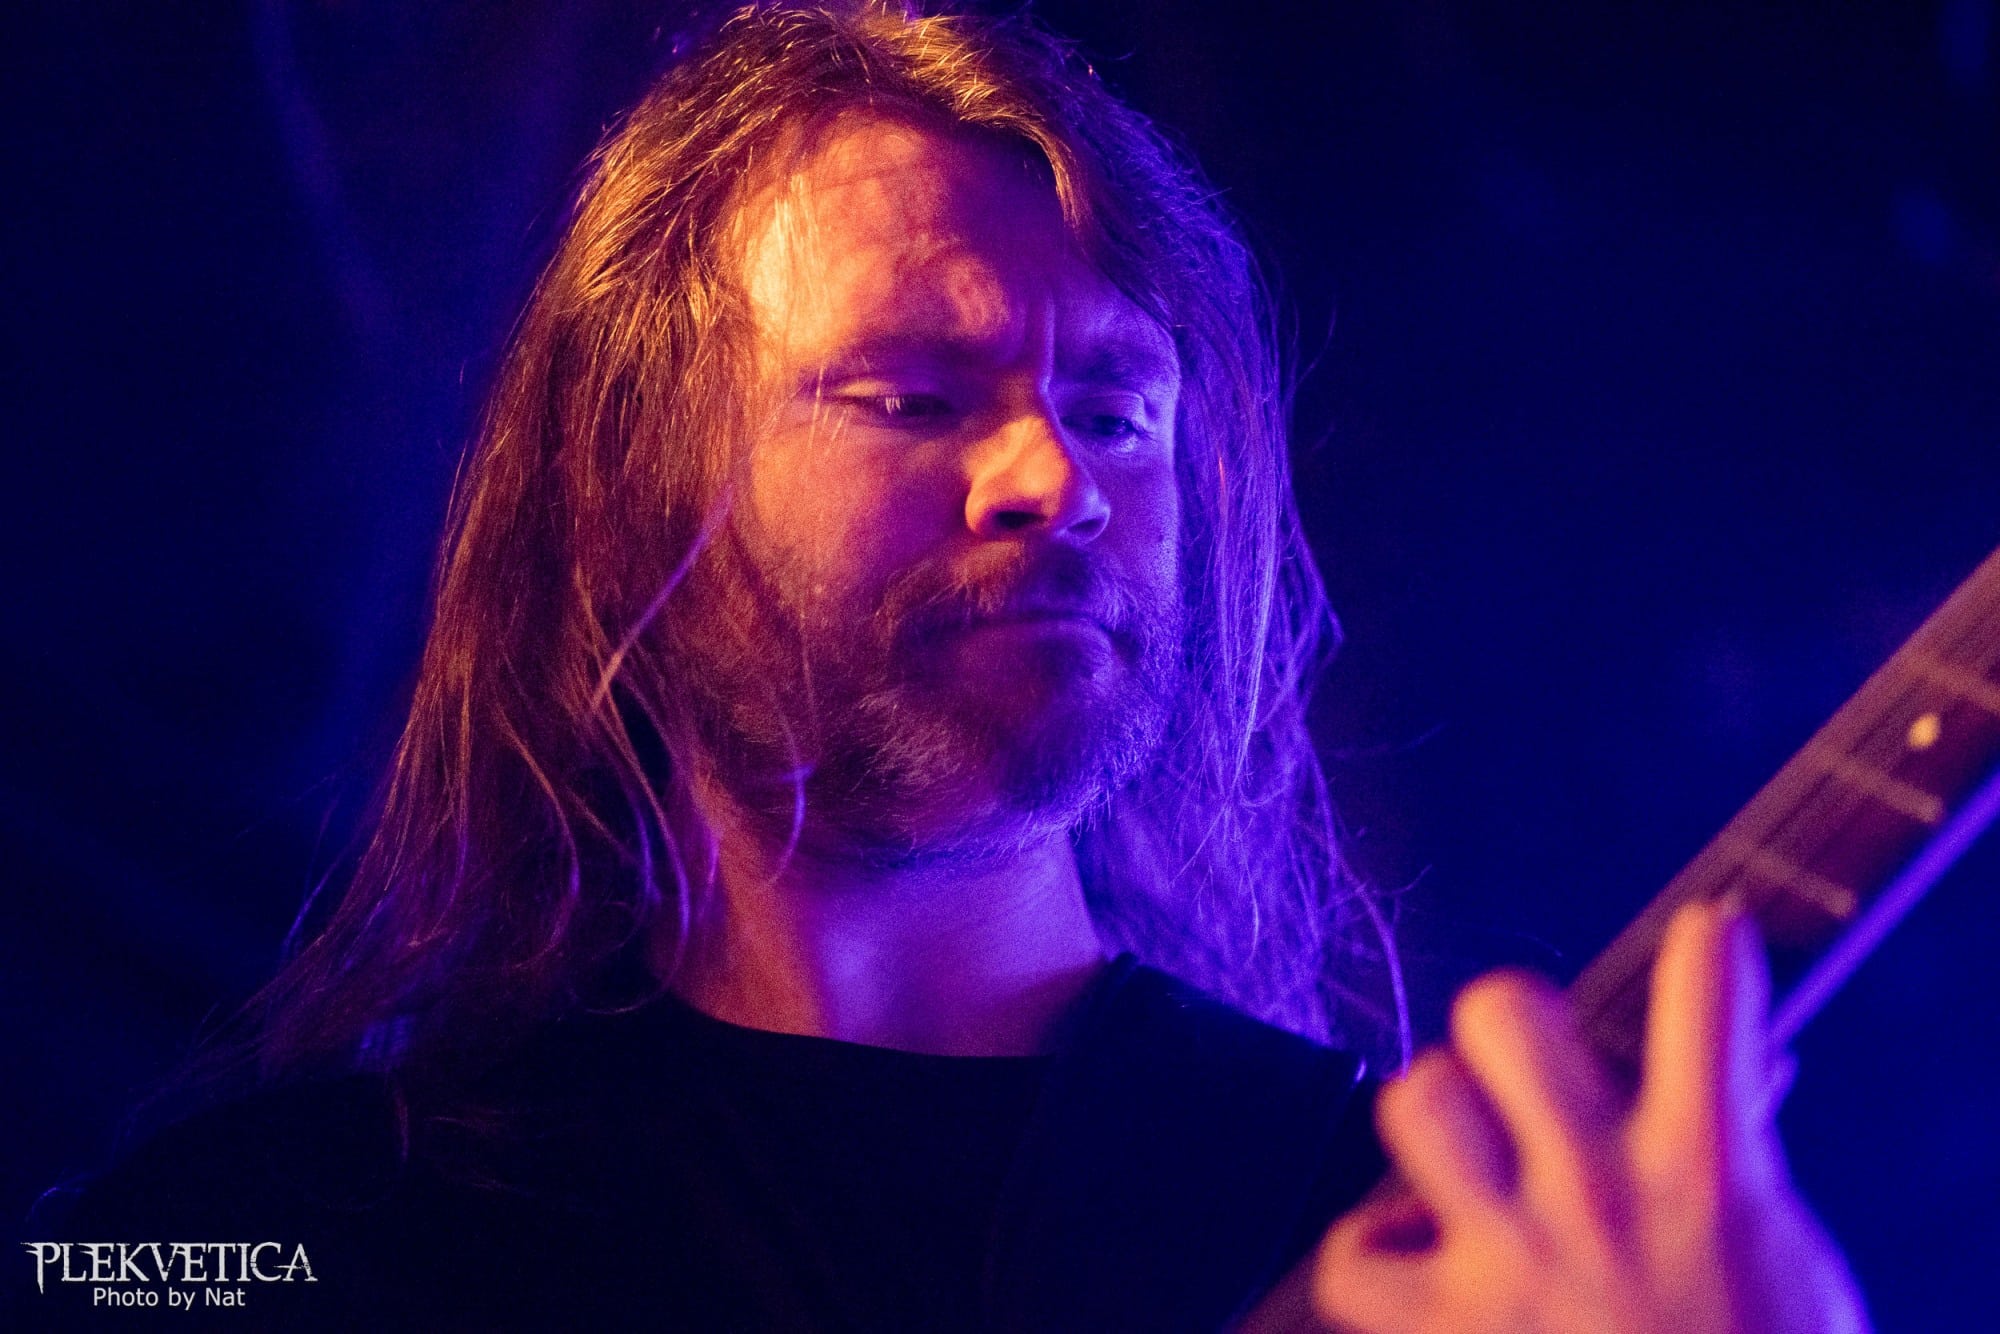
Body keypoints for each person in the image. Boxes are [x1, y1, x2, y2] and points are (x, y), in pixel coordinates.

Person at [28, 3, 1868, 1330]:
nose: (1055, 475)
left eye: (1120, 410)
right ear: (623, 501)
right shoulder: (274, 1231)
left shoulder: (1407, 1239)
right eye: (914, 396)